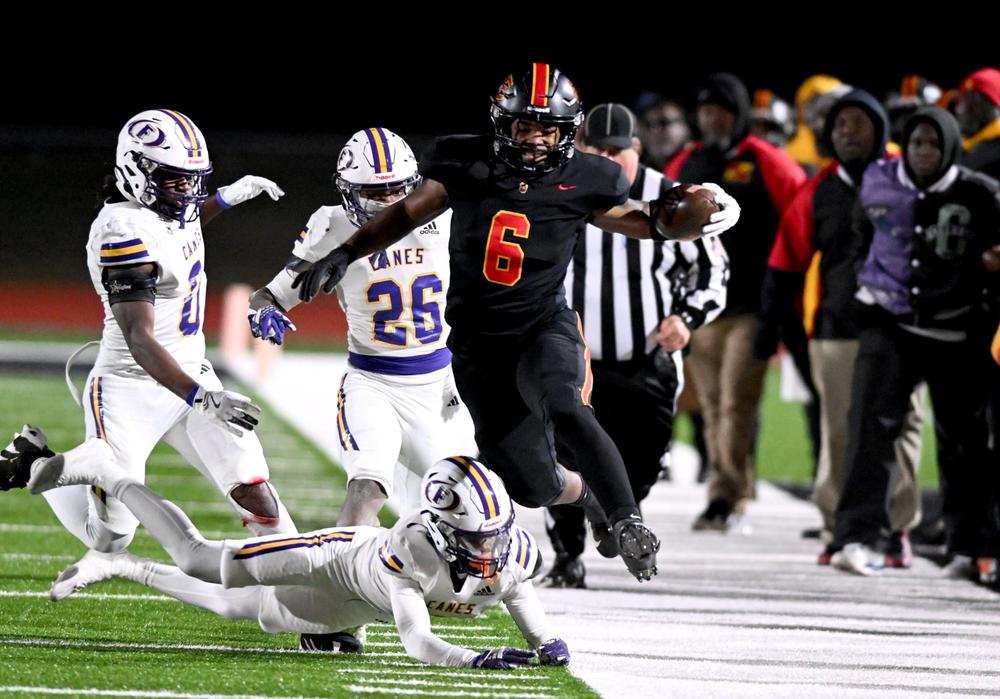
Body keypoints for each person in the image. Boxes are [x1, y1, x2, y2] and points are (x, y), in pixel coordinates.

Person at [289, 64, 741, 582]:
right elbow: (406, 213)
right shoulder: (466, 160)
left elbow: (641, 222)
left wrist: (687, 219)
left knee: (566, 405)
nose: (535, 140)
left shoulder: (590, 178)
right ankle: (588, 494)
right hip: (479, 347)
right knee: (529, 484)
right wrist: (347, 251)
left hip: (542, 327)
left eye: (548, 129)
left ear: (567, 132)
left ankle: (627, 518)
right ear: (503, 123)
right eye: (525, 126)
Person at [3, 429, 570, 669]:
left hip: (341, 604)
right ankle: (109, 472)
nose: (490, 546)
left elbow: (516, 590)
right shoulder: (415, 552)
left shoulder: (509, 549)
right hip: (330, 560)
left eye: (494, 532)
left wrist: (546, 641)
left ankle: (118, 562)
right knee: (200, 560)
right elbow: (417, 640)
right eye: (477, 536)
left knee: (239, 608)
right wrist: (476, 659)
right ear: (445, 528)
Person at [0, 109, 295, 567]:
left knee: (255, 492)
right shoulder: (122, 230)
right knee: (112, 536)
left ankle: (319, 612)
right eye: (178, 181)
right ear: (137, 171)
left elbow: (183, 228)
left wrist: (225, 198)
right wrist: (203, 398)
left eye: (194, 180)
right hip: (131, 386)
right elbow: (140, 338)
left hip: (189, 375)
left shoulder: (167, 208)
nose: (190, 193)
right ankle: (35, 463)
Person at [248, 127, 477, 527]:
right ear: (348, 191)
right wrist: (264, 311)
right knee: (366, 489)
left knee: (468, 506)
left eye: (397, 190)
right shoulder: (333, 227)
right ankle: (347, 581)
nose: (389, 201)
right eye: (375, 192)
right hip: (373, 383)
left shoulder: (446, 218)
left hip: (440, 385)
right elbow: (271, 293)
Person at [543, 103, 728, 588]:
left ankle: (613, 509)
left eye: (614, 151)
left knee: (641, 464)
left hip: (645, 358)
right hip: (571, 354)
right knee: (561, 455)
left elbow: (713, 273)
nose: (603, 157)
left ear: (637, 150)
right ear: (578, 146)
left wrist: (685, 319)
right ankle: (567, 557)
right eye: (594, 148)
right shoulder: (561, 186)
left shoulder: (668, 197)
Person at [828, 107, 1000, 576]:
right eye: (917, 143)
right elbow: (861, 235)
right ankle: (856, 538)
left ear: (950, 149)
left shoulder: (981, 194)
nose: (924, 153)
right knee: (870, 433)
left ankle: (971, 546)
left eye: (934, 145)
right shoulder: (879, 179)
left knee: (964, 442)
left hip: (957, 328)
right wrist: (865, 289)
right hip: (890, 323)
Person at [666, 73, 806, 532]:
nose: (711, 117)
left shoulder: (767, 160)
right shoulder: (688, 161)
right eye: (705, 109)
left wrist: (786, 299)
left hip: (751, 305)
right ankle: (731, 488)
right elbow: (659, 225)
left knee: (735, 404)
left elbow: (799, 220)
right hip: (704, 307)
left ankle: (726, 497)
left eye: (720, 109)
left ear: (738, 112)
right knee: (710, 405)